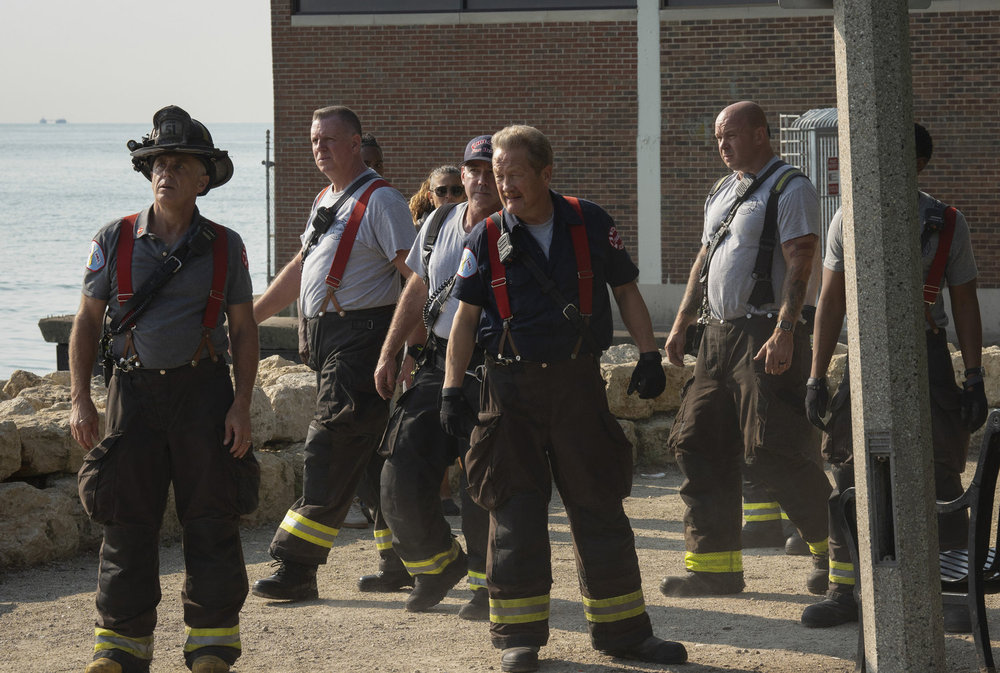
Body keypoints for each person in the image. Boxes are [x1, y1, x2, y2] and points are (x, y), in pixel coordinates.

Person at [444, 124, 687, 673]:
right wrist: (452, 390)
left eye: (514, 174)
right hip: (509, 394)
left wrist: (648, 356)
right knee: (516, 514)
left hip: (578, 387)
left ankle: (624, 632)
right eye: (497, 174)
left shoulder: (591, 221)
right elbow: (465, 319)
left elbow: (625, 290)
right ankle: (517, 640)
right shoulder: (484, 237)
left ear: (546, 173)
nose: (503, 185)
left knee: (600, 505)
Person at [69, 105, 258, 673]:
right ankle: (120, 649)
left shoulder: (228, 246)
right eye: (156, 163)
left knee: (212, 520)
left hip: (205, 394)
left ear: (204, 178)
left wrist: (242, 404)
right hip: (133, 395)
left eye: (178, 164)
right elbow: (85, 321)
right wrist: (81, 398)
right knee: (126, 522)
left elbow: (245, 331)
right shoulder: (113, 238)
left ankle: (212, 647)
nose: (165, 172)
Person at [800, 123, 987, 630]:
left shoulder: (948, 223)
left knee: (940, 474)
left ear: (918, 164)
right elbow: (832, 303)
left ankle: (950, 591)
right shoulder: (848, 219)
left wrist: (973, 377)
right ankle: (846, 589)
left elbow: (965, 302)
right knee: (849, 472)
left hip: (926, 359)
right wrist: (817, 376)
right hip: (863, 357)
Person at [660, 101, 832, 599]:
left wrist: (786, 330)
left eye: (731, 135)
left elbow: (801, 259)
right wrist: (681, 320)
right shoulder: (722, 190)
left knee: (770, 448)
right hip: (717, 337)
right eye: (718, 137)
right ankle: (714, 568)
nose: (722, 145)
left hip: (764, 334)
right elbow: (704, 257)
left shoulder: (790, 187)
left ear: (760, 134)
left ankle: (834, 548)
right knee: (695, 441)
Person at [250, 105, 416, 602]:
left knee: (327, 450)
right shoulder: (328, 198)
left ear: (355, 143)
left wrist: (404, 349)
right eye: (313, 139)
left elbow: (416, 280)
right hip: (328, 344)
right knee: (364, 460)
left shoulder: (382, 200)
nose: (319, 147)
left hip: (361, 342)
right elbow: (301, 269)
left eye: (329, 139)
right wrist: (247, 319)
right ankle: (405, 561)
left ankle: (295, 568)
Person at [374, 134, 498, 620]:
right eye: (474, 169)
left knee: (482, 484)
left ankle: (490, 587)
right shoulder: (438, 222)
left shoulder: (519, 227)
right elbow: (419, 287)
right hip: (438, 361)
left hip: (494, 368)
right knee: (398, 470)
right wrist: (392, 352)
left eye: (491, 169)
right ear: (460, 175)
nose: (482, 179)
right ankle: (437, 566)